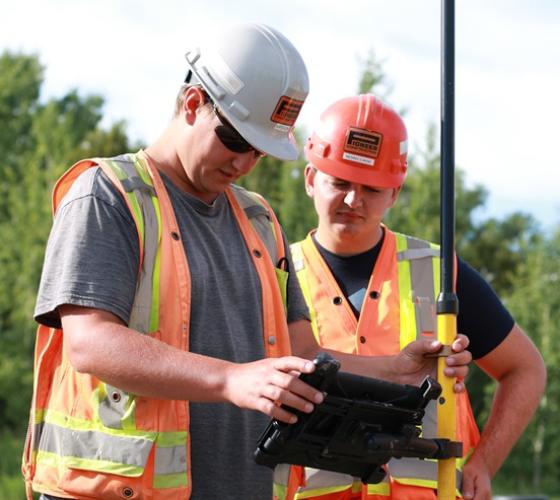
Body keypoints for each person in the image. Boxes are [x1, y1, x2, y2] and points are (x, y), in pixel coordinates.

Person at [21, 26, 472, 500]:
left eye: (258, 151)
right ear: (193, 103)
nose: (243, 163)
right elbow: (90, 344)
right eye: (234, 140)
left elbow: (300, 354)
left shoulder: (258, 220)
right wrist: (231, 378)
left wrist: (395, 370)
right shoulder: (107, 195)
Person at [287, 94, 547, 500]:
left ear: (394, 194)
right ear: (309, 179)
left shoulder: (440, 272)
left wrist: (484, 462)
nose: (353, 201)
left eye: (372, 188)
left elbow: (526, 369)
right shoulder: (273, 272)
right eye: (339, 182)